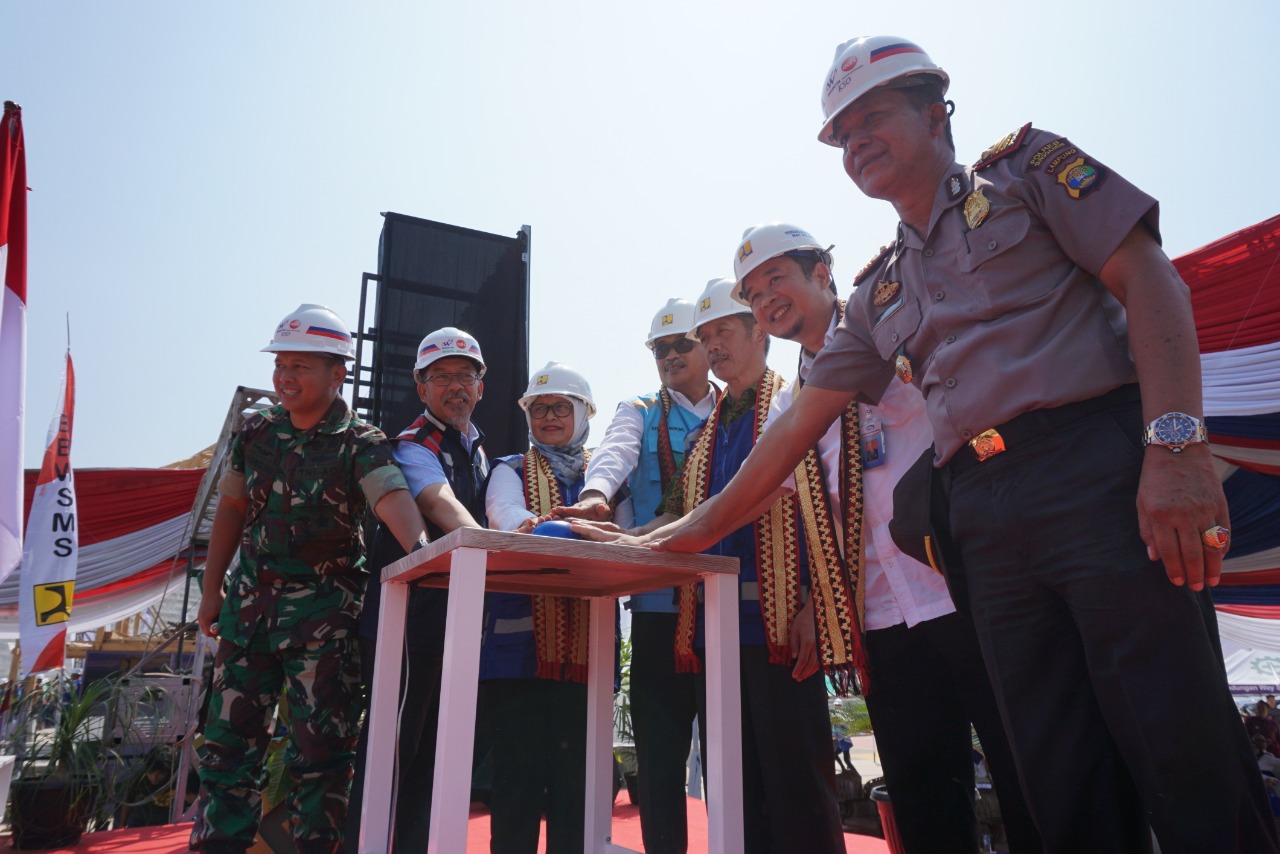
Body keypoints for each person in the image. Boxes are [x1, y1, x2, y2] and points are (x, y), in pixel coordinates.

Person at [621, 35, 1275, 852]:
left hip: (1098, 475)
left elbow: (1153, 282)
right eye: (841, 132)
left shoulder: (1029, 175)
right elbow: (790, 433)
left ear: (937, 114)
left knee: (1184, 750)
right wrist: (672, 536)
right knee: (1058, 774)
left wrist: (1175, 448)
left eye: (873, 115)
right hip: (984, 527)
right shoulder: (878, 292)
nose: (856, 140)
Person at [731, 221, 1040, 853]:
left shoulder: (903, 323)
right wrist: (821, 601)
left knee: (1033, 771)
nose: (766, 301)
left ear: (822, 272)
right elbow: (807, 510)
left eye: (775, 279)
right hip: (880, 615)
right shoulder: (793, 401)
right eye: (753, 295)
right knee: (923, 793)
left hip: (970, 588)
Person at [191, 304, 428, 854]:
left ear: (337, 372)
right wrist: (211, 588)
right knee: (226, 753)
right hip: (246, 617)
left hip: (323, 626)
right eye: (281, 365)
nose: (285, 377)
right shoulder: (255, 432)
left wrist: (421, 552)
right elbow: (230, 509)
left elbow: (391, 496)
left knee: (320, 760)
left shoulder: (360, 441)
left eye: (301, 365)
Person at [659, 278, 845, 853]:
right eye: (705, 336)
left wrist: (819, 606)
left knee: (799, 791)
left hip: (783, 634)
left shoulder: (798, 402)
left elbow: (835, 508)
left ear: (759, 331)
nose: (713, 346)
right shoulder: (705, 437)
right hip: (718, 641)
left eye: (724, 332)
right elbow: (677, 520)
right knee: (734, 795)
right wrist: (609, 535)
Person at [554, 298, 717, 854]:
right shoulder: (640, 407)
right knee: (660, 758)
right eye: (659, 347)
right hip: (658, 613)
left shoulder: (741, 407)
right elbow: (615, 453)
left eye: (680, 344)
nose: (669, 355)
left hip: (730, 610)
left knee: (734, 759)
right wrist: (596, 497)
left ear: (708, 344)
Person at [344, 326, 490, 852]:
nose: (455, 387)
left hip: (451, 619)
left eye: (465, 376)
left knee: (433, 749)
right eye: (442, 377)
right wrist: (500, 544)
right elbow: (443, 507)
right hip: (408, 621)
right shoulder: (410, 445)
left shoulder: (475, 448)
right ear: (420, 387)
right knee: (394, 746)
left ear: (481, 385)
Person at [481, 362, 624, 853]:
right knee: (516, 786)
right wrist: (558, 530)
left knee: (578, 789)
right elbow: (506, 518)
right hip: (517, 656)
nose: (548, 417)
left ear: (584, 414)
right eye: (539, 408)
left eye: (561, 407)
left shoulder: (604, 481)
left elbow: (625, 537)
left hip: (588, 656)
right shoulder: (508, 469)